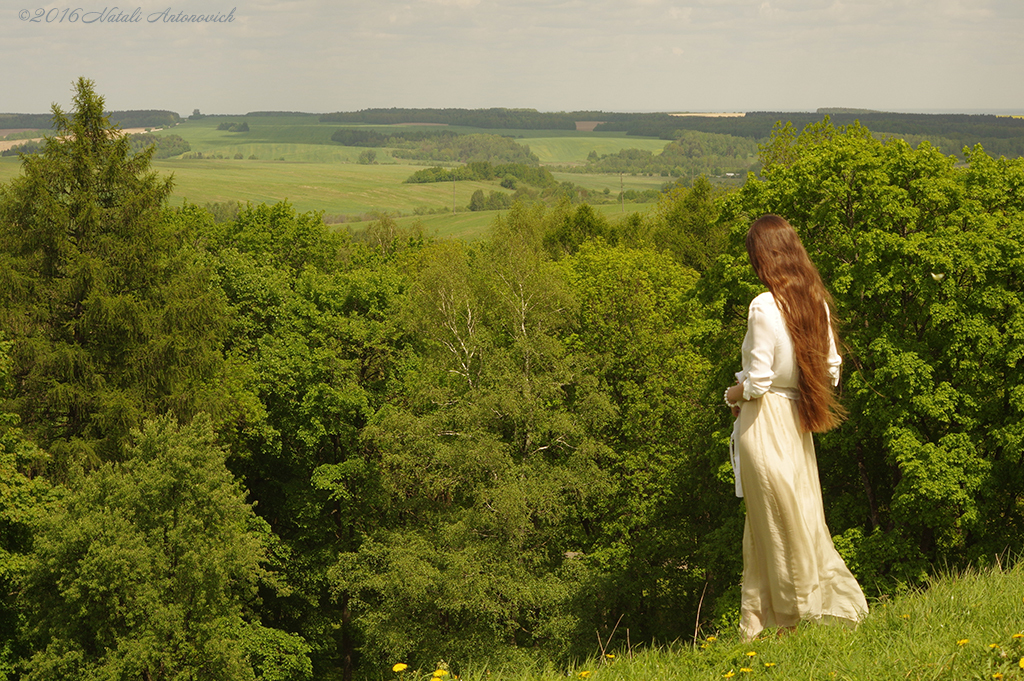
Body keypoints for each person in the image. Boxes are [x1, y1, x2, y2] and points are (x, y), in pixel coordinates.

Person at [724, 214, 868, 641]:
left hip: (764, 423)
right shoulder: (814, 302)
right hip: (796, 421)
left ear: (763, 256)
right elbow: (831, 370)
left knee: (774, 519)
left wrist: (732, 394)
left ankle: (792, 616)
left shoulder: (763, 306)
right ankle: (777, 617)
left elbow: (758, 382)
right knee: (795, 513)